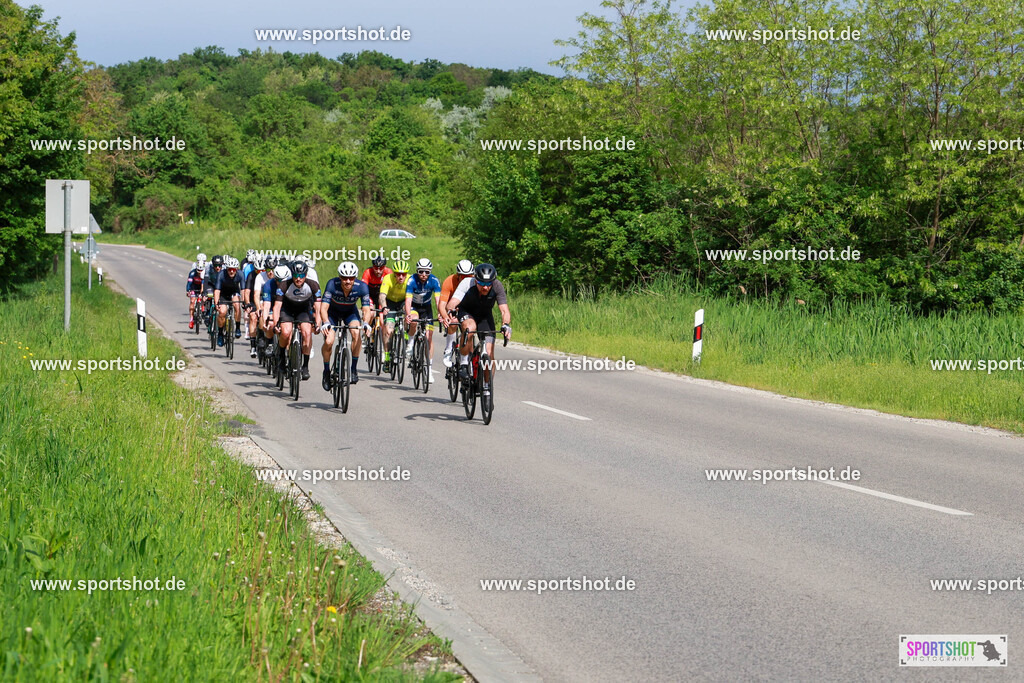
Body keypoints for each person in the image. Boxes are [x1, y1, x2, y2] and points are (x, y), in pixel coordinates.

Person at [445, 263, 511, 387]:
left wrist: (506, 324)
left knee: (489, 353)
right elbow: (453, 301)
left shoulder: (497, 286)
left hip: (485, 316)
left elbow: (504, 310)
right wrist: (451, 309)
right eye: (481, 284)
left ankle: (486, 386)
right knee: (470, 328)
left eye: (488, 284)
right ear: (476, 280)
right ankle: (464, 364)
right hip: (467, 312)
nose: (485, 288)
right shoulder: (467, 283)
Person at [318, 261, 372, 390]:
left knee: (356, 332)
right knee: (330, 340)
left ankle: (353, 369)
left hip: (350, 312)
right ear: (339, 277)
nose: (348, 281)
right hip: (332, 313)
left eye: (351, 278)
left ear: (355, 277)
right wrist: (325, 323)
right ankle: (326, 371)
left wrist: (366, 324)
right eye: (344, 278)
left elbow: (366, 310)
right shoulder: (332, 284)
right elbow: (323, 308)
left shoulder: (362, 287)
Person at [269, 260, 320, 381]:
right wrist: (276, 323)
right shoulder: (284, 285)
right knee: (286, 332)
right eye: (296, 276)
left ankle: (305, 366)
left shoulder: (313, 285)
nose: (298, 279)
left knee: (307, 333)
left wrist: (318, 323)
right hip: (287, 309)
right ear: (292, 275)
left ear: (306, 275)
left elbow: (318, 307)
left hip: (304, 309)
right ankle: (281, 357)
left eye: (301, 276)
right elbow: (277, 307)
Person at [404, 258, 442, 380]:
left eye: (426, 272)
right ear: (417, 271)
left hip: (426, 309)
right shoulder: (411, 280)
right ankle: (410, 342)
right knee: (414, 320)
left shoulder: (434, 281)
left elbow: (438, 300)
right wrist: (408, 314)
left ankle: (429, 370)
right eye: (421, 272)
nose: (424, 275)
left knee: (429, 337)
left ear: (430, 272)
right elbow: (408, 300)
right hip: (414, 307)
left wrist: (441, 313)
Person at [438, 259, 474, 367]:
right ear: (458, 275)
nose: (466, 278)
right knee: (453, 322)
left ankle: (470, 359)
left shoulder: (474, 281)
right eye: (463, 276)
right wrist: (445, 317)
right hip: (452, 308)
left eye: (469, 275)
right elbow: (442, 304)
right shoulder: (449, 281)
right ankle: (448, 349)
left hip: (467, 308)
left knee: (469, 331)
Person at [378, 260, 410, 373]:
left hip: (402, 302)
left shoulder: (410, 280)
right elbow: (382, 296)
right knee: (389, 329)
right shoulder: (388, 278)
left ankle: (405, 332)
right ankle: (387, 356)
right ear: (394, 273)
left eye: (404, 274)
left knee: (408, 313)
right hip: (390, 303)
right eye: (398, 274)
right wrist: (384, 307)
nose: (401, 277)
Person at [213, 257, 244, 346]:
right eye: (229, 269)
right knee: (222, 312)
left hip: (234, 293)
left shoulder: (240, 274)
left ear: (236, 269)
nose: (231, 271)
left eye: (233, 269)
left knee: (237, 305)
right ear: (226, 269)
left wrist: (245, 302)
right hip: (223, 294)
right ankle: (220, 334)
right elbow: (217, 290)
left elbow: (243, 290)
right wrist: (216, 303)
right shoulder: (221, 274)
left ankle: (237, 327)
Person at [186, 253, 207, 329]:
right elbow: (189, 283)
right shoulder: (192, 273)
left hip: (202, 287)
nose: (200, 272)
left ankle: (203, 308)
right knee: (192, 301)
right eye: (198, 270)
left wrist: (203, 293)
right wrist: (188, 291)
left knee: (204, 297)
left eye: (201, 270)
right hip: (194, 287)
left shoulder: (205, 274)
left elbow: (203, 285)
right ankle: (191, 320)